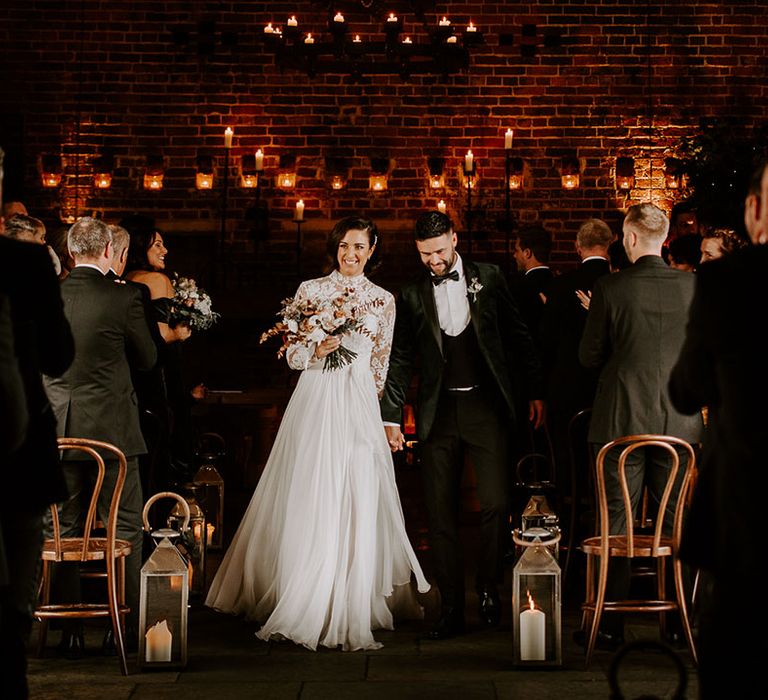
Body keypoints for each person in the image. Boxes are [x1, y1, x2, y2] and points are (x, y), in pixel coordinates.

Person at [206, 216, 429, 651]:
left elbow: (382, 364)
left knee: (358, 490)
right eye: (345, 246)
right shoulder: (311, 291)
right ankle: (306, 588)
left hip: (360, 403)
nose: (351, 254)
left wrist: (385, 420)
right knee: (312, 487)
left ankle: (353, 596)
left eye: (360, 247)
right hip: (316, 399)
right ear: (335, 248)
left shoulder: (383, 300)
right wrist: (313, 348)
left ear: (372, 250)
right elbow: (290, 353)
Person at [380, 211, 544, 640]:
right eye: (424, 255)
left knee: (493, 503)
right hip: (438, 414)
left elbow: (518, 335)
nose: (433, 261)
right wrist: (391, 415)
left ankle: (488, 588)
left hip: (487, 408)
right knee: (440, 514)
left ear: (454, 238)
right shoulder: (413, 294)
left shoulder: (489, 277)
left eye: (438, 251)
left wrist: (535, 391)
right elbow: (400, 358)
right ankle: (450, 606)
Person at [577, 203, 703, 649]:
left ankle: (610, 624)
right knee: (678, 523)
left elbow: (588, 358)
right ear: (664, 239)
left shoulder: (609, 288)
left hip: (619, 423)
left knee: (618, 522)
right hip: (681, 427)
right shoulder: (694, 286)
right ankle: (679, 621)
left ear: (629, 239)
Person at [669, 157, 768, 698]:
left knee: (733, 648)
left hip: (746, 499)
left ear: (754, 211)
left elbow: (686, 388)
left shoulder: (729, 283)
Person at [42, 217, 157, 653]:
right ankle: (119, 624)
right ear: (108, 250)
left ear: (71, 252)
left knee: (63, 525)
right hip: (113, 434)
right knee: (122, 525)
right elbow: (146, 359)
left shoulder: (46, 295)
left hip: (56, 431)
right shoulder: (124, 296)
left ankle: (65, 628)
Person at [0, 220, 74, 699]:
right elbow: (57, 355)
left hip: (18, 449)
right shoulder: (21, 262)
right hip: (15, 451)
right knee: (11, 607)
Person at [539, 218, 612, 503]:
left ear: (577, 247)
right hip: (607, 392)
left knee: (567, 462)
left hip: (566, 389)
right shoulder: (618, 283)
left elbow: (545, 342)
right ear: (610, 245)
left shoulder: (559, 287)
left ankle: (569, 527)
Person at [122, 215, 193, 489]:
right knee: (168, 437)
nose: (165, 251)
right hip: (161, 371)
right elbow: (162, 334)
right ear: (142, 248)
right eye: (158, 246)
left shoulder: (127, 278)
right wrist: (180, 333)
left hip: (134, 373)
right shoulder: (157, 279)